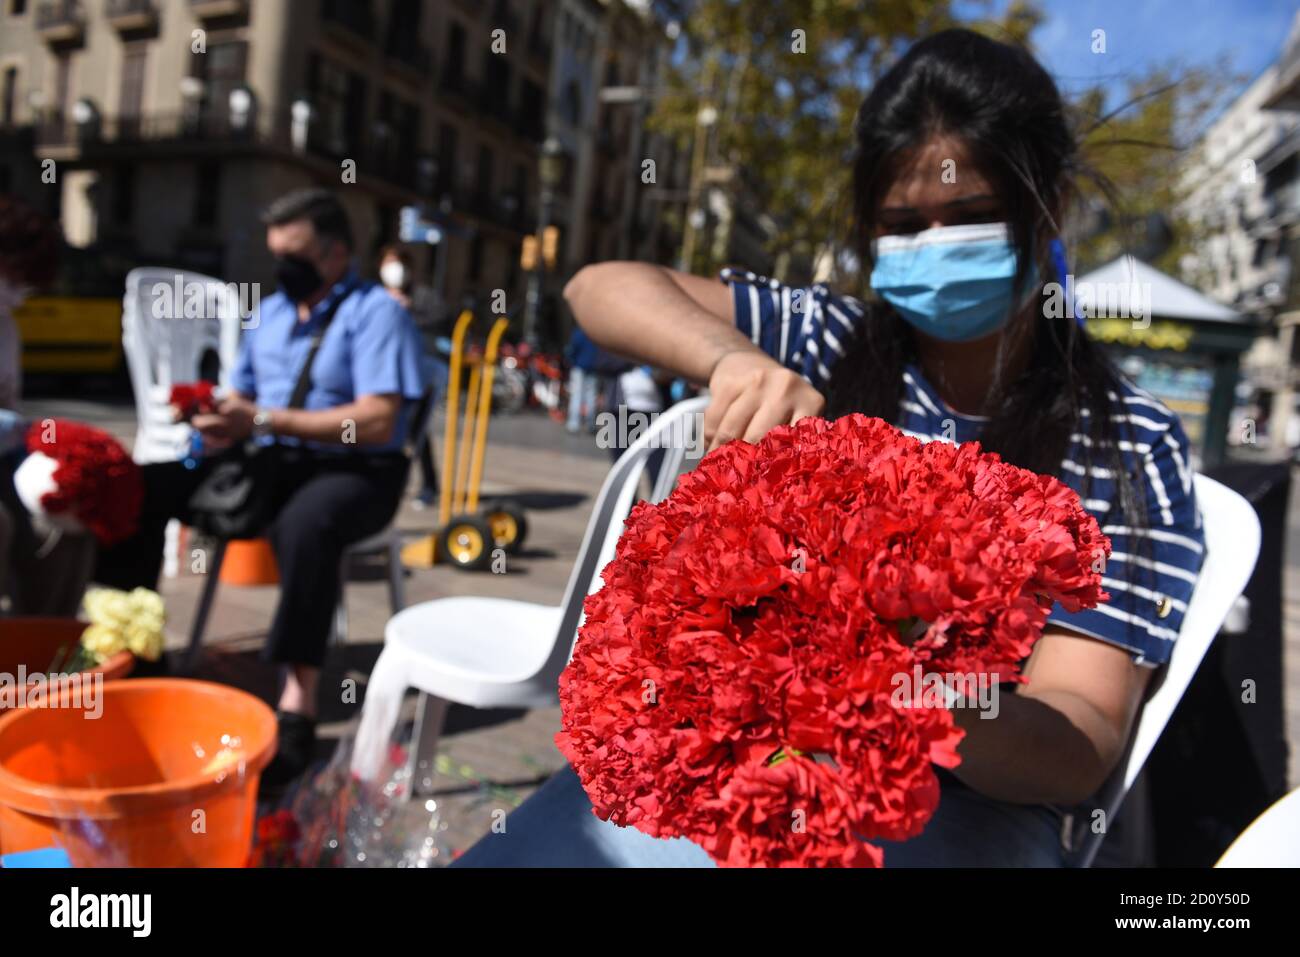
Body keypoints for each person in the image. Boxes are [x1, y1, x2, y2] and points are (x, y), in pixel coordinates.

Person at [455, 29, 1205, 867]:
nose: (934, 246)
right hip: (748, 756)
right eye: (902, 225)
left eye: (970, 219)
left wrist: (910, 678)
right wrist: (731, 356)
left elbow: (1083, 738)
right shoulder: (829, 337)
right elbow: (598, 287)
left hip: (965, 806)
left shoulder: (1129, 444)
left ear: (1051, 206)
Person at [96, 189, 428, 789]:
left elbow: (377, 419)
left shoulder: (377, 313)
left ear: (336, 253)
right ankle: (137, 652)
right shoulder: (271, 314)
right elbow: (245, 401)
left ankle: (297, 701)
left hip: (356, 470)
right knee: (135, 487)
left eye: (296, 254)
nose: (284, 268)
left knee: (306, 524)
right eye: (277, 254)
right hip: (273, 461)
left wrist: (266, 421)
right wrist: (215, 418)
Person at [0, 195, 97, 616]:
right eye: (15, 275)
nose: (19, 290)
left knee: (68, 513)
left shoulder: (7, 329)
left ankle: (43, 651)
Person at [378, 243, 444, 507]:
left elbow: (441, 320)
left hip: (418, 377)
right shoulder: (376, 296)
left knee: (416, 431)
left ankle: (428, 485)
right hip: (385, 376)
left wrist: (410, 310)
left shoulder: (423, 297)